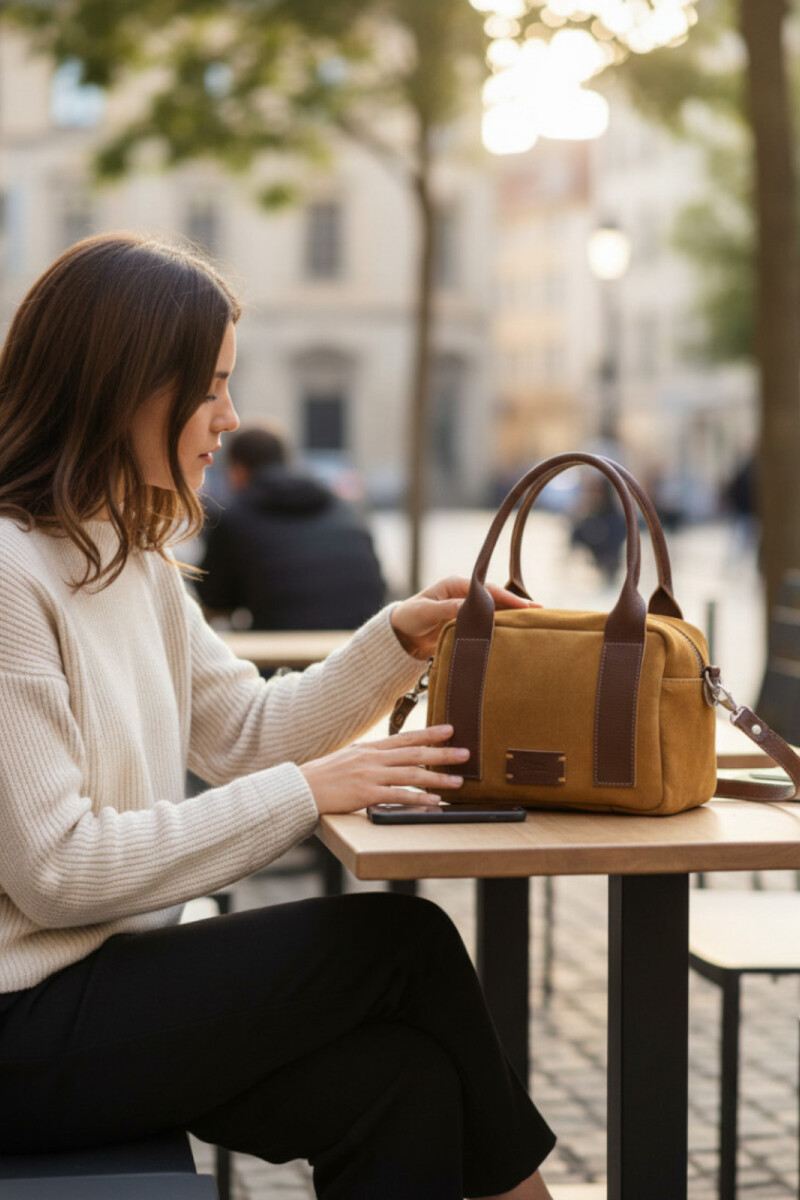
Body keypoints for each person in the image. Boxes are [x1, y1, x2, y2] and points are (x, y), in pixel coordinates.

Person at [0, 233, 556, 1200]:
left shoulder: (130, 557)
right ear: (124, 387)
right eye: (211, 387)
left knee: (403, 1084)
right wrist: (307, 794)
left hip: (105, 984)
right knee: (405, 943)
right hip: (23, 1025)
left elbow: (245, 732)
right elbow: (59, 870)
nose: (231, 416)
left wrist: (396, 639)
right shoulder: (13, 577)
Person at [196, 423, 386, 630]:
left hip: (283, 646)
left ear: (238, 470)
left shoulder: (234, 519)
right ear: (287, 460)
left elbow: (213, 599)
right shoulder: (344, 509)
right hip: (361, 639)